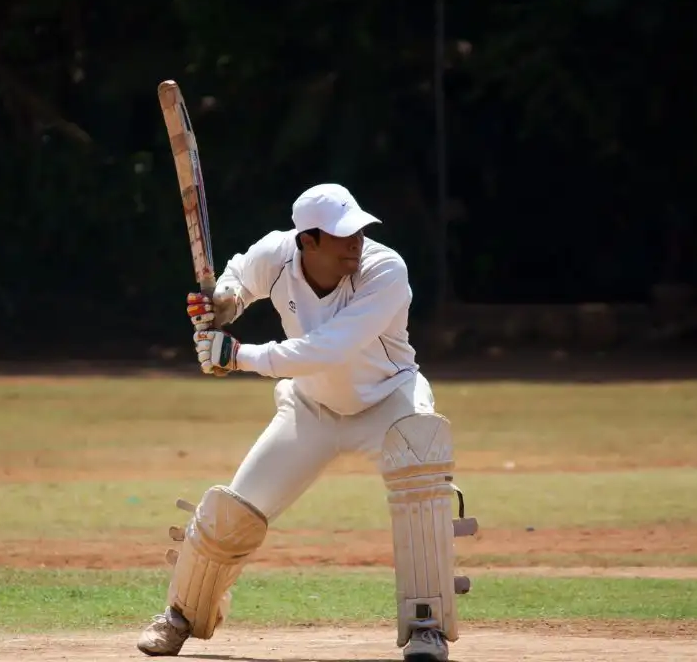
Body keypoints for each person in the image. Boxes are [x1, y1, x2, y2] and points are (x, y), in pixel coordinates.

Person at [136, 183, 476, 661]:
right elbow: (237, 276)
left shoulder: (385, 269)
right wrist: (225, 302)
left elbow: (327, 348)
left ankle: (428, 625)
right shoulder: (277, 253)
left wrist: (236, 355)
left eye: (358, 231)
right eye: (342, 236)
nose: (355, 243)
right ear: (307, 241)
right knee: (232, 509)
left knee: (422, 457)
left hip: (388, 399)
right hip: (312, 408)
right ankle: (182, 614)